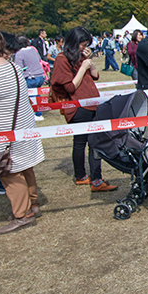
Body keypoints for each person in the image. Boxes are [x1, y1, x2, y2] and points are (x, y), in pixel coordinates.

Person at [50, 27, 117, 192]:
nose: (84, 47)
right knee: (84, 143)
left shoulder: (80, 57)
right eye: (82, 44)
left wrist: (90, 62)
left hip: (91, 103)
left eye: (86, 44)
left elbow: (95, 75)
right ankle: (92, 179)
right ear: (73, 42)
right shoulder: (62, 59)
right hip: (78, 106)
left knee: (92, 142)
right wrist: (82, 67)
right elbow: (70, 87)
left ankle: (88, 177)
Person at [0, 28, 45, 234]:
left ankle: (22, 214)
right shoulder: (13, 67)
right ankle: (32, 204)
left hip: (4, 131)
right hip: (22, 128)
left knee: (8, 172)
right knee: (25, 168)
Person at [14, 36, 46, 121]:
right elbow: (39, 59)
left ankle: (35, 114)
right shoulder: (33, 50)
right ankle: (39, 112)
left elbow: (19, 67)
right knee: (37, 95)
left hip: (30, 77)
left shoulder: (19, 53)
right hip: (40, 75)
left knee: (31, 96)